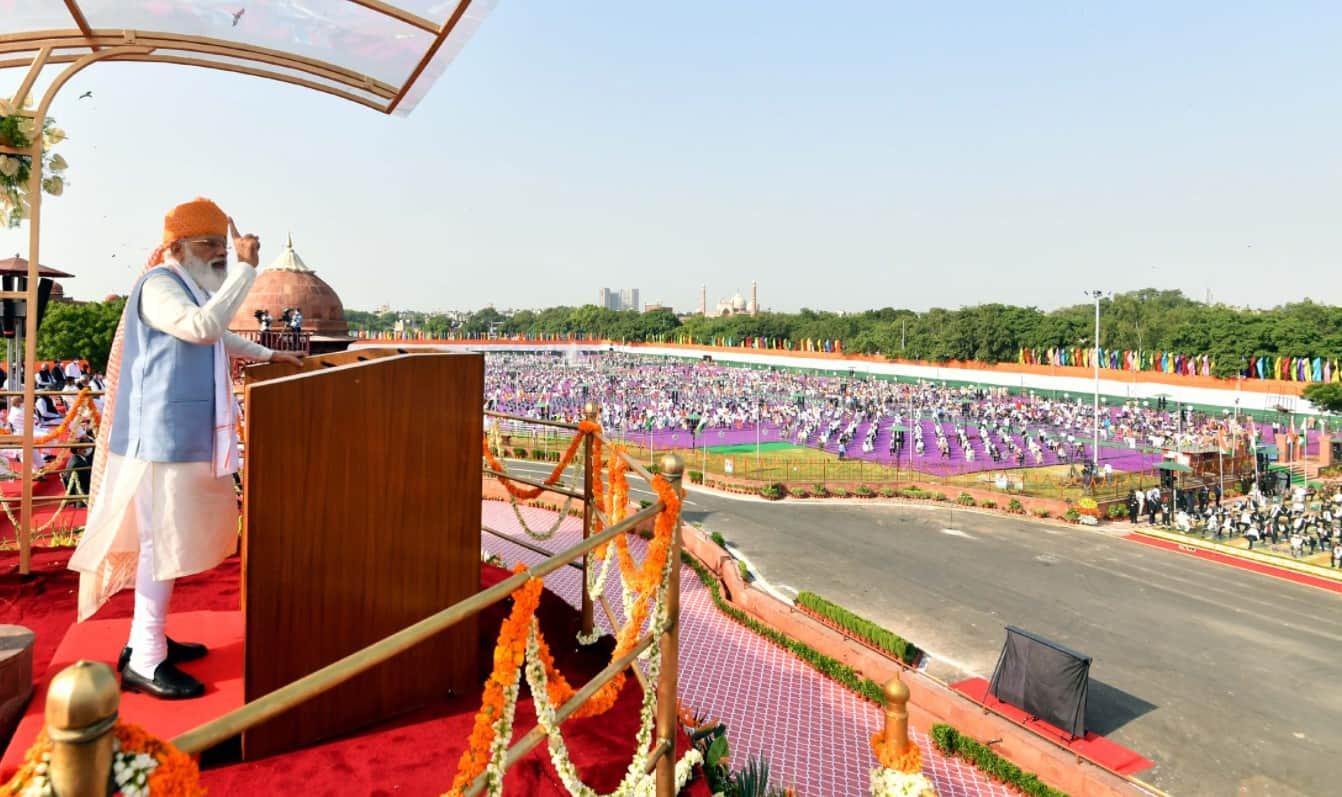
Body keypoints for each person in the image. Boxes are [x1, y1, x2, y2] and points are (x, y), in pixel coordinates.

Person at [69, 198, 303, 700]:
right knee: (160, 545)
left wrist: (268, 353)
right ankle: (146, 659)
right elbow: (202, 328)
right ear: (175, 247)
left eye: (222, 246)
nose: (219, 254)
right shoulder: (158, 286)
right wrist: (246, 271)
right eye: (209, 246)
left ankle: (145, 642)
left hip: (180, 435)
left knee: (169, 543)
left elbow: (216, 337)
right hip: (158, 440)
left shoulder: (190, 287)